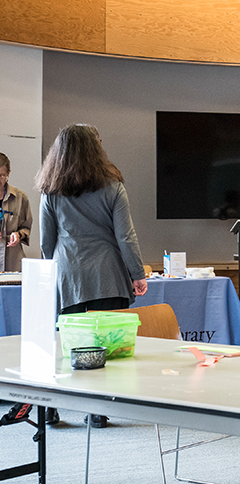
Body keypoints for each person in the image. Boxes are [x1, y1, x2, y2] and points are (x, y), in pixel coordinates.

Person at [37, 124, 148, 428]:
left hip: (67, 275)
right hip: (108, 274)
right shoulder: (113, 186)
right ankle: (96, 412)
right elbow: (126, 237)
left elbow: (47, 241)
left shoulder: (50, 189)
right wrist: (137, 274)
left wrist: (53, 272)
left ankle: (52, 409)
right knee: (105, 346)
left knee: (67, 344)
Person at [0, 152, 32, 272]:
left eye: (2, 175)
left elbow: (26, 228)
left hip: (13, 263)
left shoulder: (20, 197)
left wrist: (18, 235)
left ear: (8, 173)